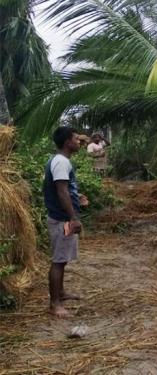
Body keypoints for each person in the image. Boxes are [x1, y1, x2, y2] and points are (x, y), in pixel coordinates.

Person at [43, 127, 88, 318]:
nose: (79, 142)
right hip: (61, 220)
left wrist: (76, 196)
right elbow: (61, 191)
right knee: (58, 261)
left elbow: (62, 189)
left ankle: (60, 293)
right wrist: (73, 218)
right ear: (67, 142)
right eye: (76, 139)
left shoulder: (60, 161)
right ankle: (55, 305)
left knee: (62, 259)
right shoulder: (61, 162)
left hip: (61, 217)